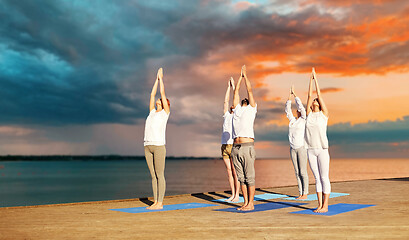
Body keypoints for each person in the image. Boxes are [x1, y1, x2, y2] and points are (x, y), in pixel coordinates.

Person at [144, 68, 170, 210]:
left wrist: (161, 79)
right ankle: (155, 201)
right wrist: (156, 79)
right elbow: (152, 94)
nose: (158, 100)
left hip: (159, 146)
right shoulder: (152, 112)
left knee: (160, 174)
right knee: (153, 176)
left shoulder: (165, 114)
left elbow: (162, 93)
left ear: (166, 104)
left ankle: (160, 202)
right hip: (147, 146)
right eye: (158, 100)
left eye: (161, 100)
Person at [231, 65, 257, 211]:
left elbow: (250, 91)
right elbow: (236, 92)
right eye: (243, 100)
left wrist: (245, 76)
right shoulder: (237, 110)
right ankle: (246, 202)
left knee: (249, 177)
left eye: (246, 100)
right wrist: (239, 79)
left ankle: (251, 204)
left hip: (247, 146)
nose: (245, 100)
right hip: (236, 147)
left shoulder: (252, 109)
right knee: (241, 178)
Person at [305, 67, 331, 213]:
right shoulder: (309, 115)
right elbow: (309, 96)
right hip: (310, 149)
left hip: (322, 150)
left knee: (324, 177)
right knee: (316, 178)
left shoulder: (323, 115)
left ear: (319, 104)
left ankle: (325, 206)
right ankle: (320, 204)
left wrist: (316, 78)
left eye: (317, 100)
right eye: (313, 100)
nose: (315, 100)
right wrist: (309, 80)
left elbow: (319, 94)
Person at [285, 85, 309, 200]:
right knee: (297, 171)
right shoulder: (293, 121)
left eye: (299, 110)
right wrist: (289, 96)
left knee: (303, 171)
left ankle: (305, 193)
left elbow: (302, 108)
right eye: (297, 110)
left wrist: (295, 95)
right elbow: (287, 110)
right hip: (292, 148)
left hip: (301, 148)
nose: (297, 110)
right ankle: (300, 193)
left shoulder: (303, 120)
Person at [221, 77, 240, 202]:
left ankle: (237, 195)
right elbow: (225, 102)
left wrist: (234, 87)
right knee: (229, 172)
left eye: (234, 105)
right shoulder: (227, 115)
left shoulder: (237, 116)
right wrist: (228, 87)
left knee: (235, 171)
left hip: (233, 145)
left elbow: (235, 100)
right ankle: (232, 194)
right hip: (224, 145)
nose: (232, 106)